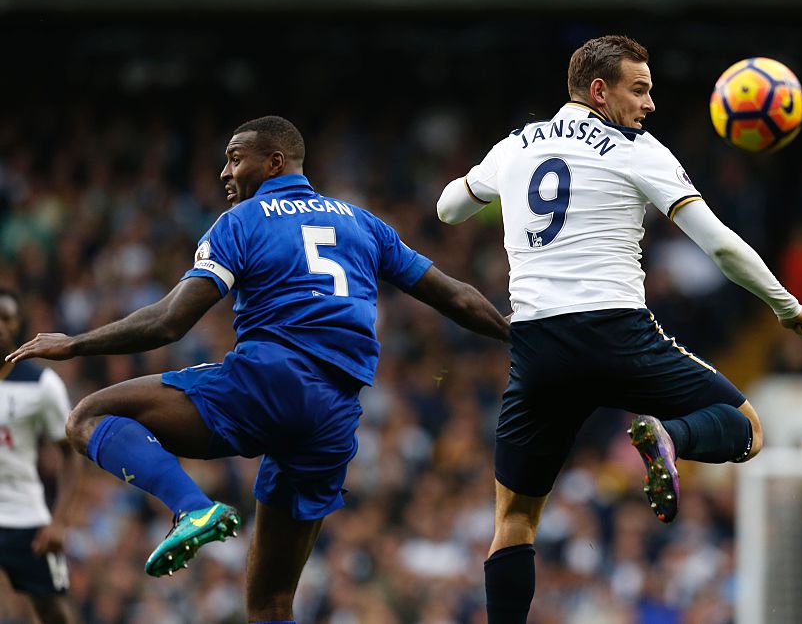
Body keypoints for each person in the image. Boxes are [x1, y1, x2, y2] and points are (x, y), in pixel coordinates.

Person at [6, 115, 510, 624]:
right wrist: (517, 334)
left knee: (87, 417)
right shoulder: (362, 222)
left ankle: (190, 506)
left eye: (234, 158)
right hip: (333, 418)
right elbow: (456, 297)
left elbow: (169, 321)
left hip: (268, 382)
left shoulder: (242, 221)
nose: (225, 172)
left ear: (274, 162)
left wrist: (75, 343)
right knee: (271, 602)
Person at [436, 35, 802, 623]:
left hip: (536, 347)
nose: (649, 104)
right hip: (616, 333)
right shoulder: (637, 150)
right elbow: (719, 245)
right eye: (638, 90)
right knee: (747, 428)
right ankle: (671, 439)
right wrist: (785, 305)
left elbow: (447, 209)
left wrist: (491, 188)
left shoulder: (515, 145)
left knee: (513, 520)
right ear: (599, 91)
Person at [0, 288, 81, 624]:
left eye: (6, 318)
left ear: (18, 324)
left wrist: (59, 521)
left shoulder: (42, 384)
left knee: (53, 612)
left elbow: (70, 454)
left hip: (26, 519)